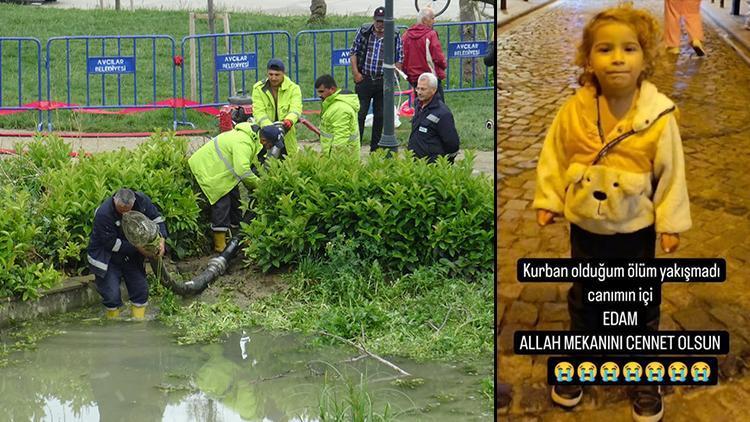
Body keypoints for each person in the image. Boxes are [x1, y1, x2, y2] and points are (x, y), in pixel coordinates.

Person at [532, 5, 691, 421]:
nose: (617, 58)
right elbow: (554, 154)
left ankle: (643, 375)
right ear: (589, 58)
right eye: (605, 49)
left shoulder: (658, 117)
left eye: (629, 48)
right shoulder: (574, 110)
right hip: (586, 226)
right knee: (585, 297)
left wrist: (670, 223)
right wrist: (549, 198)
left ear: (646, 58)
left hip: (636, 229)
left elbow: (672, 172)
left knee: (640, 301)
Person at [188, 122, 285, 252]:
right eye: (271, 145)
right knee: (222, 205)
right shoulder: (244, 143)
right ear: (264, 140)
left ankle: (236, 241)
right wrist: (260, 186)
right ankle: (220, 247)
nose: (270, 148)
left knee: (236, 205)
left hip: (221, 171)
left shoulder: (254, 139)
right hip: (209, 170)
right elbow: (243, 171)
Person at [87, 188, 168, 320]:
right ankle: (113, 325)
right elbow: (110, 243)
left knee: (141, 290)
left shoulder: (142, 202)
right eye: (121, 210)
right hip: (107, 257)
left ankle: (139, 323)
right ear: (115, 201)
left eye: (128, 209)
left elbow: (157, 219)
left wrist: (161, 240)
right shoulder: (103, 213)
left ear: (134, 202)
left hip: (130, 256)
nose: (125, 214)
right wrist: (139, 248)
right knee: (112, 296)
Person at [350, 6, 403, 152]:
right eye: (378, 21)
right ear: (374, 20)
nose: (380, 25)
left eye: (383, 22)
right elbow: (353, 51)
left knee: (380, 116)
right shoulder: (365, 32)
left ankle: (375, 150)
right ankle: (356, 147)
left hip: (382, 81)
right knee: (360, 115)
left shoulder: (394, 35)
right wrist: (356, 74)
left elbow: (399, 57)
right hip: (365, 79)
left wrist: (394, 77)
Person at [251, 58, 303, 155]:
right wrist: (270, 129)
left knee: (289, 164)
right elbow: (258, 112)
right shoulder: (258, 89)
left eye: (277, 75)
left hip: (287, 137)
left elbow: (296, 108)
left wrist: (289, 120)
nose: (273, 78)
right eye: (271, 74)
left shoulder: (294, 89)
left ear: (283, 73)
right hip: (266, 138)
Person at [407, 72, 459, 163]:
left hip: (432, 166)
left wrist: (444, 163)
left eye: (423, 89)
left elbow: (452, 144)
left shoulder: (442, 113)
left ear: (433, 90)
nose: (419, 92)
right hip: (416, 163)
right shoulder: (418, 105)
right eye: (417, 88)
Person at [402, 6, 447, 102]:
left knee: (419, 106)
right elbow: (438, 57)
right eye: (432, 18)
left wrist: (408, 74)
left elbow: (403, 57)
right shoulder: (431, 35)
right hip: (430, 78)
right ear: (425, 20)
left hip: (414, 78)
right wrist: (443, 65)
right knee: (438, 107)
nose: (434, 21)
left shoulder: (406, 35)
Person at [314, 74, 361, 160]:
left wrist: (334, 160)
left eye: (321, 91)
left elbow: (341, 137)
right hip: (340, 155)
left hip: (342, 158)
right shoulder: (333, 104)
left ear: (332, 89)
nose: (319, 95)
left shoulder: (340, 108)